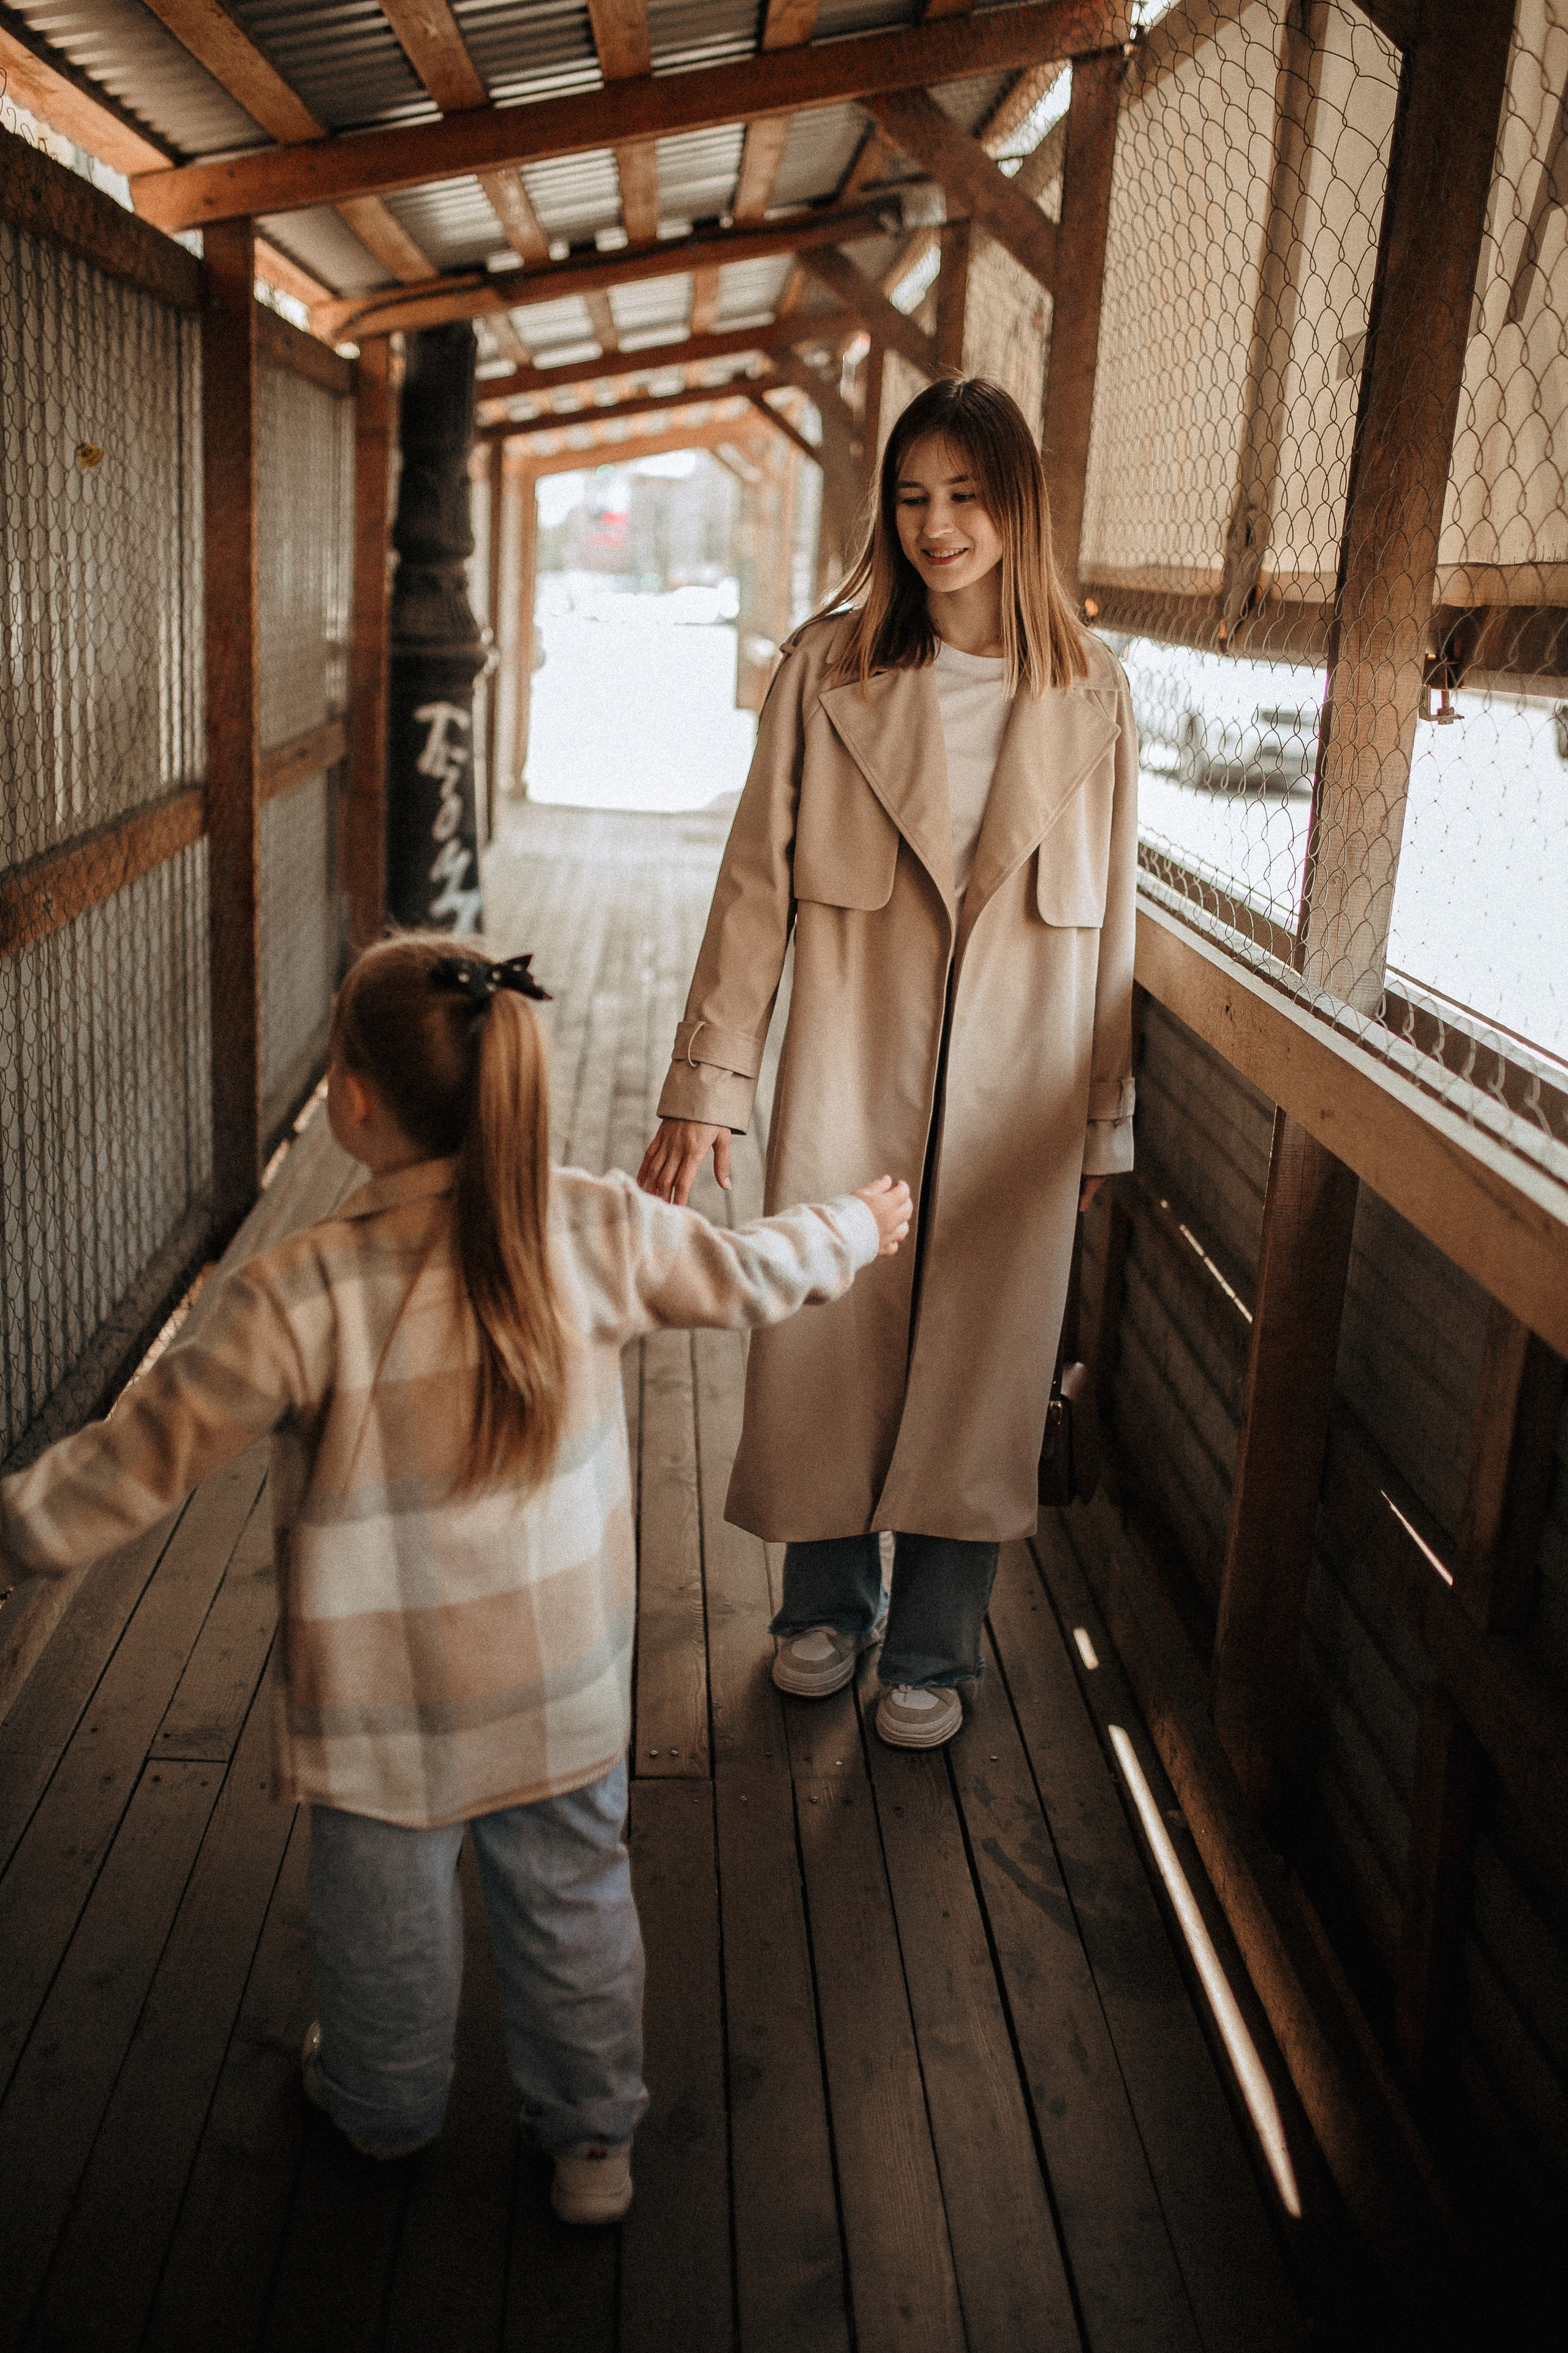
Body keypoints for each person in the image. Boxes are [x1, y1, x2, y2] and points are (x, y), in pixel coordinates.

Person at [0, 934, 910, 2221]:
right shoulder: (592, 1226)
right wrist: (853, 1227)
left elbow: (133, 1465)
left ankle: (381, 2111)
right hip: (560, 1688)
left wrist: (12, 1533)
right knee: (575, 1904)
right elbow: (753, 1270)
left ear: (356, 1102)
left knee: (383, 1930)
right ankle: (593, 2144)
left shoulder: (294, 1292)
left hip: (381, 1711)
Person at [638, 376, 1138, 1753]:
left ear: (1015, 506)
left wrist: (1103, 1123)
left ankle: (933, 1649)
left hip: (1023, 1081)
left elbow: (1118, 929)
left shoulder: (1094, 692)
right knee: (826, 1316)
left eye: (965, 496)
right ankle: (822, 1608)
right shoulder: (827, 668)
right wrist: (711, 1082)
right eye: (911, 498)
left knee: (985, 1347)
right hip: (852, 1054)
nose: (935, 525)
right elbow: (752, 888)